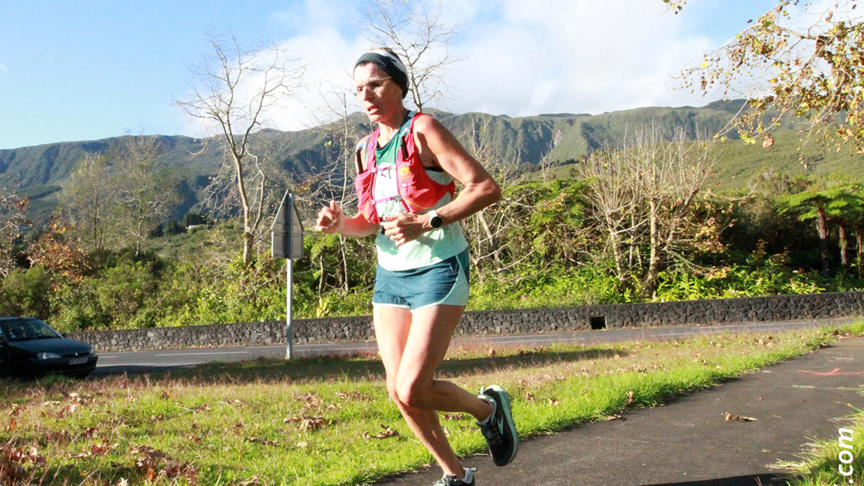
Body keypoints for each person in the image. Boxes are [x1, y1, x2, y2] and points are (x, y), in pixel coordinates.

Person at [314, 48, 518, 486]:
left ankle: (488, 409)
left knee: (412, 387)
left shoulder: (422, 130)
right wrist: (339, 225)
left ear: (399, 85)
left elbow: (485, 187)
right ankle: (457, 476)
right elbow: (372, 223)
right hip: (391, 278)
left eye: (375, 84)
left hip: (438, 268)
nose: (365, 95)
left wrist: (429, 219)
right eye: (358, 89)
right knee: (398, 392)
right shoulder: (364, 149)